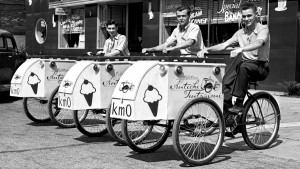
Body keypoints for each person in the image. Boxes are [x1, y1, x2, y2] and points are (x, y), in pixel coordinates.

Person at [198, 2, 270, 115]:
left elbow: (259, 42)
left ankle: (239, 103)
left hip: (260, 67)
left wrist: (241, 49)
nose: (246, 18)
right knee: (224, 85)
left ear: (256, 14)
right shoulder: (240, 33)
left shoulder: (263, 29)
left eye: (249, 15)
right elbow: (223, 45)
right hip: (244, 66)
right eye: (244, 16)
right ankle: (230, 118)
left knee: (243, 66)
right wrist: (206, 49)